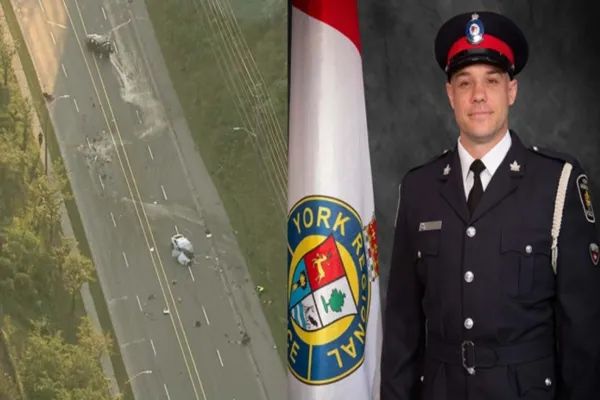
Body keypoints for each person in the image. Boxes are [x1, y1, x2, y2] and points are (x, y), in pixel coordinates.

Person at [380, 11, 600, 400]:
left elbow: (582, 334)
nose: (478, 95)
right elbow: (402, 329)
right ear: (450, 94)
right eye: (465, 82)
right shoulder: (418, 189)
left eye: (492, 81)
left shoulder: (558, 183)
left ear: (511, 91)